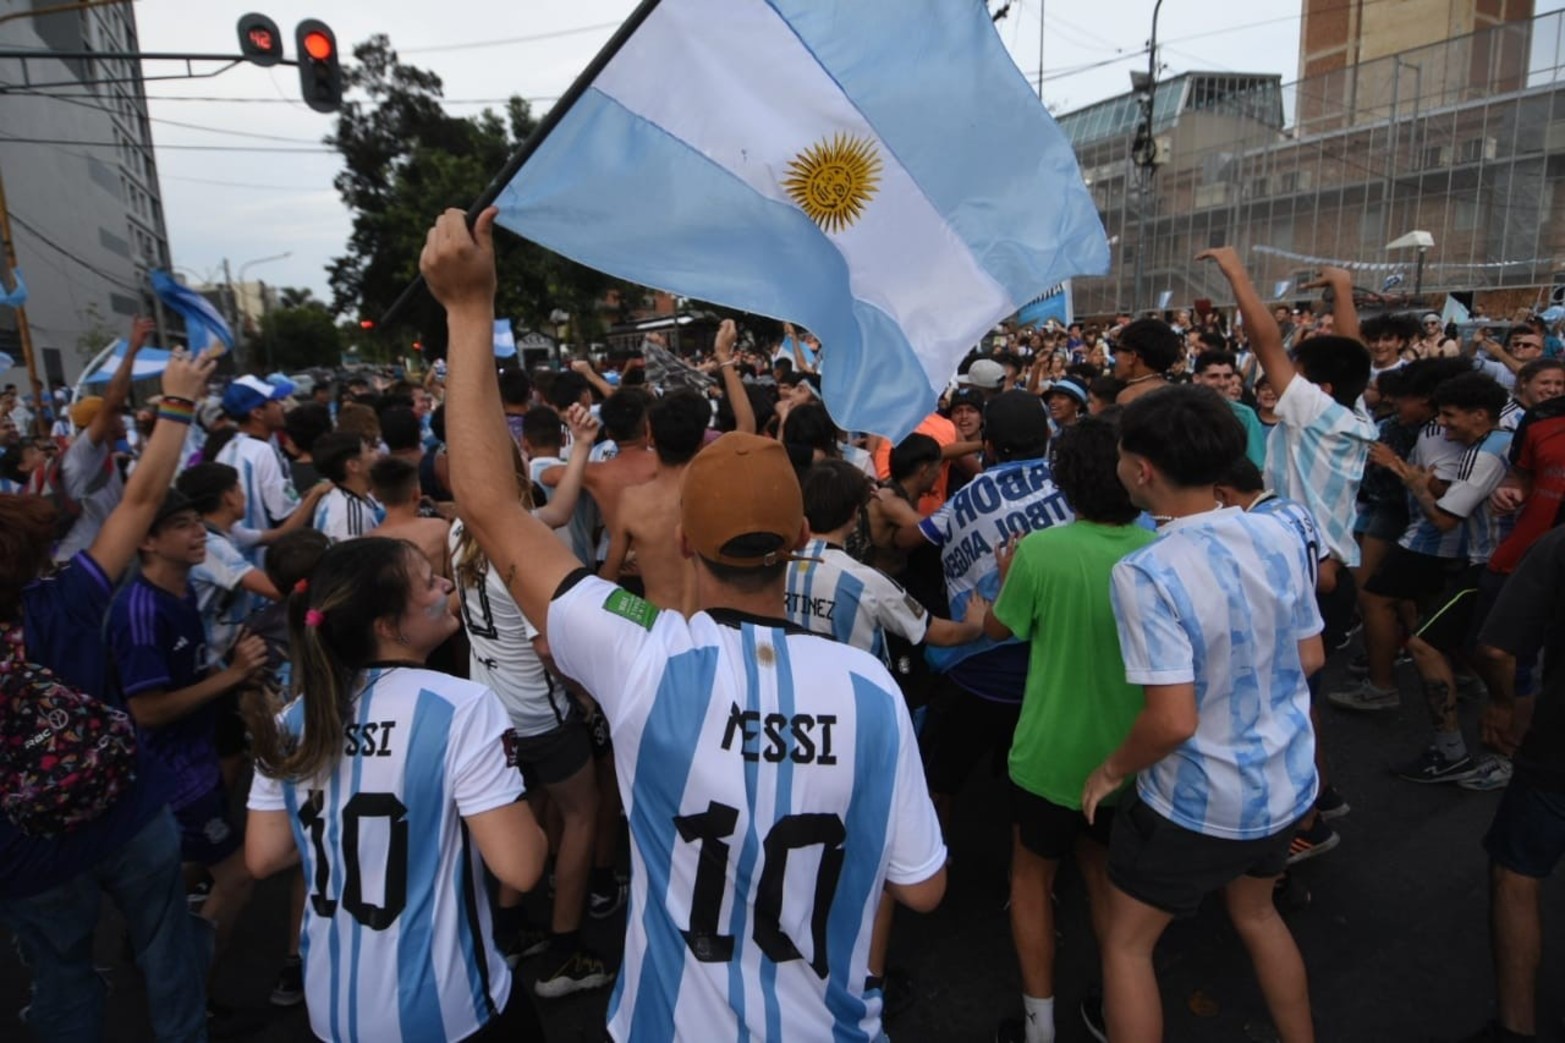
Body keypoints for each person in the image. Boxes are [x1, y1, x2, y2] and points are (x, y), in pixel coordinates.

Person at [426, 206, 947, 1041]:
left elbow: (489, 506)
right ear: (802, 537)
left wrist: (466, 311)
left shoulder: (641, 646)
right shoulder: (870, 689)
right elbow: (920, 887)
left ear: (687, 541)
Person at [1084, 386, 1324, 1043]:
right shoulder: (1278, 528)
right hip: (1284, 783)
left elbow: (1171, 721)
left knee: (1128, 945)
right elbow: (1309, 653)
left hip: (1199, 801)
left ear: (1141, 470)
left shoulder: (1146, 571)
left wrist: (1107, 773)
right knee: (1257, 915)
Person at [244, 537, 550, 1040]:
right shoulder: (462, 707)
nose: (446, 584)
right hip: (451, 1008)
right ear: (388, 626)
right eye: (429, 582)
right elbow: (521, 866)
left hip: (334, 1010)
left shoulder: (290, 721)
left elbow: (264, 855)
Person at [0, 349, 217, 1042]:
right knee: (165, 941)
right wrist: (177, 402)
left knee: (62, 974)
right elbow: (142, 499)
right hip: (124, 806)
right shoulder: (65, 601)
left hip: (24, 848)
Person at [982, 417, 1158, 1043]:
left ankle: (1039, 1025)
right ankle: (1118, 1005)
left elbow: (1000, 630)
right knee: (1103, 875)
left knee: (1031, 878)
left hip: (1048, 757)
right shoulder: (1159, 550)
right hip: (1136, 759)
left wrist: (1006, 580)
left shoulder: (1039, 551)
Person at [450, 402, 604, 995]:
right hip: (542, 714)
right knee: (581, 815)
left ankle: (511, 928)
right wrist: (589, 696)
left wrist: (582, 445)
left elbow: (559, 509)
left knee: (527, 810)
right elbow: (547, 650)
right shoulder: (521, 551)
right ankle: (567, 950)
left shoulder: (462, 528)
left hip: (495, 712)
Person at [886, 391, 1075, 830]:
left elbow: (909, 541)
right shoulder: (1072, 489)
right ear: (1047, 435)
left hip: (975, 672)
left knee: (941, 781)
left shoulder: (967, 497)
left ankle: (933, 858)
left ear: (988, 445)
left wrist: (895, 508)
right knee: (1031, 795)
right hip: (1049, 676)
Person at [109, 488, 271, 957]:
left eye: (198, 522)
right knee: (238, 875)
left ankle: (147, 933)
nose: (199, 532)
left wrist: (235, 681)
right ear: (148, 541)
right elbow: (149, 711)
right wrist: (234, 676)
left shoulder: (181, 589)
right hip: (173, 770)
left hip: (195, 758)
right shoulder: (140, 612)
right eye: (182, 525)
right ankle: (192, 988)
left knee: (189, 861)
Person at [1459, 526, 1565, 1043]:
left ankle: (1514, 1028)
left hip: (1557, 746)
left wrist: (1503, 705)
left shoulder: (1560, 543)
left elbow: (1498, 649)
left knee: (1517, 874)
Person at [599, 386, 713, 616]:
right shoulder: (716, 497)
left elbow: (608, 576)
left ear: (649, 436)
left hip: (655, 621)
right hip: (706, 624)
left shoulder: (633, 500)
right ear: (701, 442)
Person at [215, 374, 302, 563]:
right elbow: (285, 514)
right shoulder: (263, 451)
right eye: (275, 401)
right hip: (261, 561)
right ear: (257, 413)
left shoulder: (227, 448)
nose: (283, 406)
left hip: (234, 557)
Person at [368, 456, 451, 579]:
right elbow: (456, 578)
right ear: (417, 493)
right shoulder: (439, 529)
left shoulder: (368, 541)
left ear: (376, 496)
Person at [311, 431, 386, 542]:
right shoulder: (349, 515)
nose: (377, 454)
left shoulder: (352, 497)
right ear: (353, 466)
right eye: (369, 451)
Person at [1110, 319, 1182, 404]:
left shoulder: (1129, 397)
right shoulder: (1179, 394)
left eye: (1117, 349)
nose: (1114, 355)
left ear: (1132, 357)